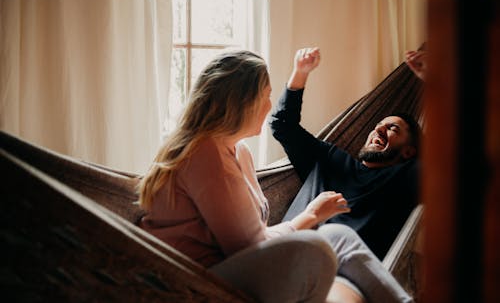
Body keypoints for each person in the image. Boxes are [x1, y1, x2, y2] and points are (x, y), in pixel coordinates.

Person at [137, 50, 414, 303]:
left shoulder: (240, 153)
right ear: (243, 103)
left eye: (392, 129)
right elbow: (247, 245)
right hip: (192, 279)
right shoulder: (205, 152)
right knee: (316, 247)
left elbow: (250, 239)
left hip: (242, 262)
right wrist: (310, 216)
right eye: (266, 96)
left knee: (336, 235)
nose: (269, 105)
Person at [270, 47, 426, 261]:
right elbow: (283, 125)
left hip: (340, 274)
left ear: (409, 152)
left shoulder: (405, 178)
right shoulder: (329, 159)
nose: (379, 129)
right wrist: (300, 72)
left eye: (393, 129)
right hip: (284, 254)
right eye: (378, 124)